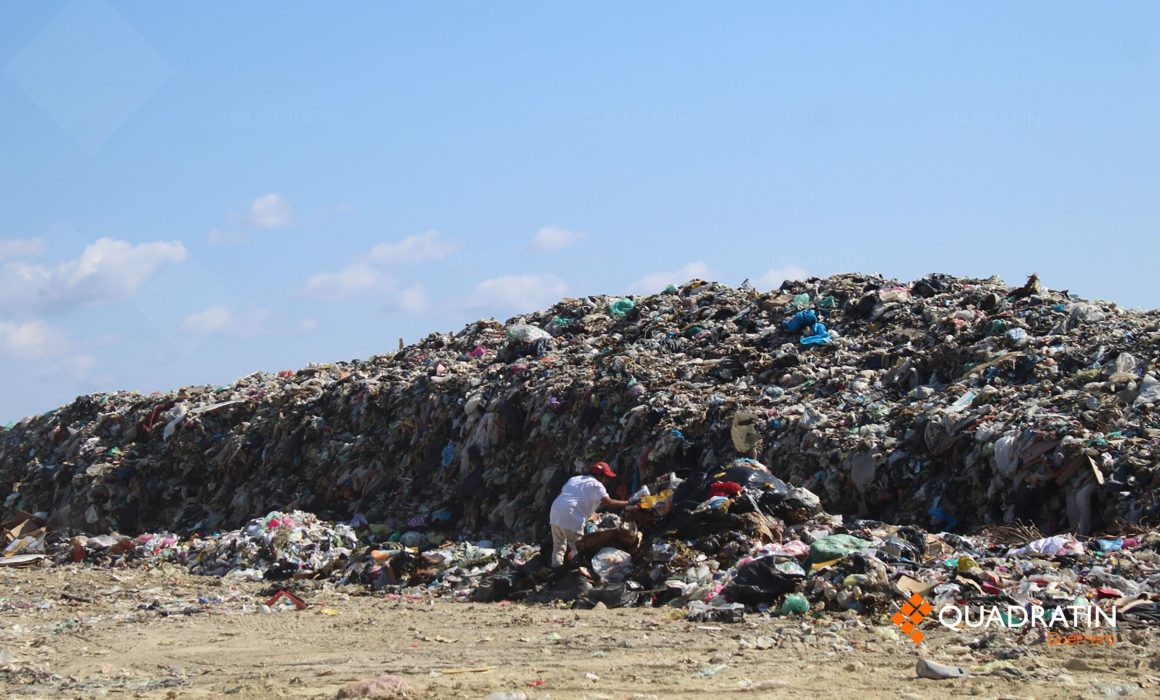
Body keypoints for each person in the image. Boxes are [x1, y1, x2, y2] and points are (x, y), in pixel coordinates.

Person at [548, 461, 630, 568]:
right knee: (578, 549)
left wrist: (589, 512)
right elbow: (609, 503)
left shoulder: (575, 479)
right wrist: (631, 502)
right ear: (599, 475)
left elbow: (569, 497)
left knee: (558, 547)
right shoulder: (596, 484)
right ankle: (576, 574)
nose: (607, 481)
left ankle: (555, 572)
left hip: (555, 512)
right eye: (606, 477)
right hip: (571, 516)